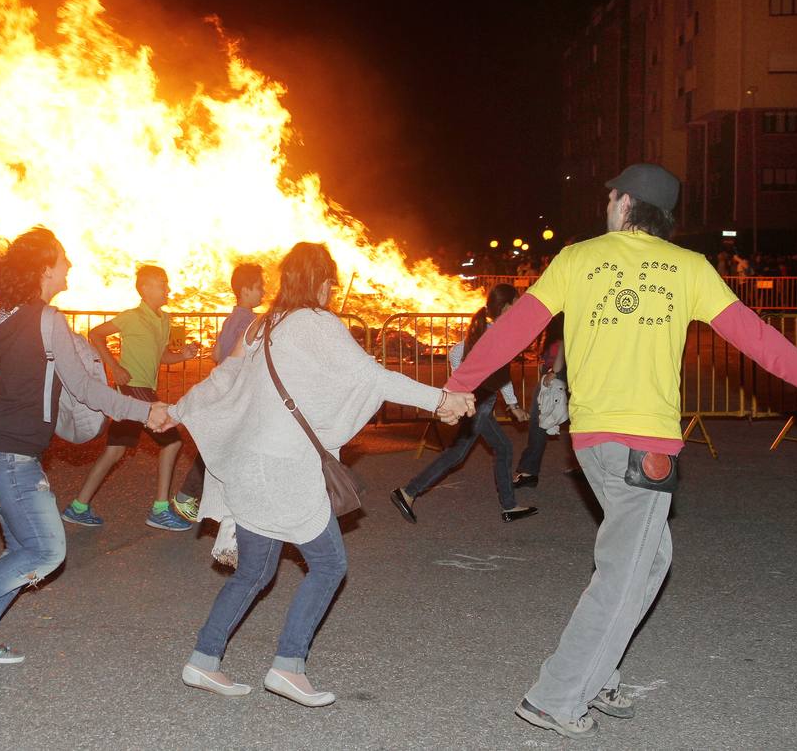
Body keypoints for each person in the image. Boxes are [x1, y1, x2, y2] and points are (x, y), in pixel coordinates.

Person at [445, 163, 797, 739]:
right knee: (625, 571)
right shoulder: (691, 269)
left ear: (623, 204)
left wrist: (460, 383)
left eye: (610, 196)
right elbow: (761, 342)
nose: (607, 204)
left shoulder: (576, 259)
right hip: (643, 448)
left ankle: (597, 676)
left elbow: (513, 329)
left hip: (593, 442)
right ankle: (557, 696)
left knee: (651, 558)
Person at [165, 243, 474, 706]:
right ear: (321, 281)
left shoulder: (261, 325)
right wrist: (441, 399)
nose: (331, 288)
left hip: (251, 468)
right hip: (287, 471)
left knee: (254, 571)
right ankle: (288, 666)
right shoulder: (319, 324)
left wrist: (175, 410)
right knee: (329, 565)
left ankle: (204, 661)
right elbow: (373, 378)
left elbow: (222, 379)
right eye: (329, 280)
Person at [0, 227, 169, 663]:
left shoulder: (0, 318)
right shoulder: (47, 320)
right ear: (43, 269)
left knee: (23, 550)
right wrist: (143, 411)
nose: (69, 268)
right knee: (48, 550)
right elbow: (85, 389)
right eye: (62, 261)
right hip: (11, 457)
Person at [60, 264, 199, 531]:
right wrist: (114, 368)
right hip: (134, 389)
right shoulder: (131, 317)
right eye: (161, 283)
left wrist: (183, 356)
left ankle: (78, 507)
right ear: (145, 288)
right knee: (172, 442)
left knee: (114, 451)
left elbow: (161, 357)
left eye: (166, 283)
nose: (167, 288)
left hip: (143, 390)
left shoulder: (165, 320)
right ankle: (160, 509)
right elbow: (96, 334)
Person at [389, 284, 536, 523]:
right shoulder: (497, 333)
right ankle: (408, 491)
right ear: (508, 306)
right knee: (460, 454)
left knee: (500, 448)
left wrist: (466, 380)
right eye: (518, 302)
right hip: (478, 401)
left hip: (479, 401)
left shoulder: (488, 329)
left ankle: (509, 505)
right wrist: (469, 385)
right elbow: (499, 374)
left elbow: (458, 354)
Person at [172, 262, 264, 522]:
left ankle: (218, 500)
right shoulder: (249, 321)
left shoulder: (231, 318)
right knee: (225, 448)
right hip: (236, 393)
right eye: (259, 288)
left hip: (225, 390)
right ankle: (187, 496)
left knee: (226, 446)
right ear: (245, 290)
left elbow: (215, 354)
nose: (263, 293)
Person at [512, 313, 567, 488]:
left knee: (538, 424)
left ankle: (528, 471)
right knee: (578, 422)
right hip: (558, 377)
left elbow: (563, 352)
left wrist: (555, 371)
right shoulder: (555, 333)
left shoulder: (563, 332)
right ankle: (585, 465)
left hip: (554, 379)